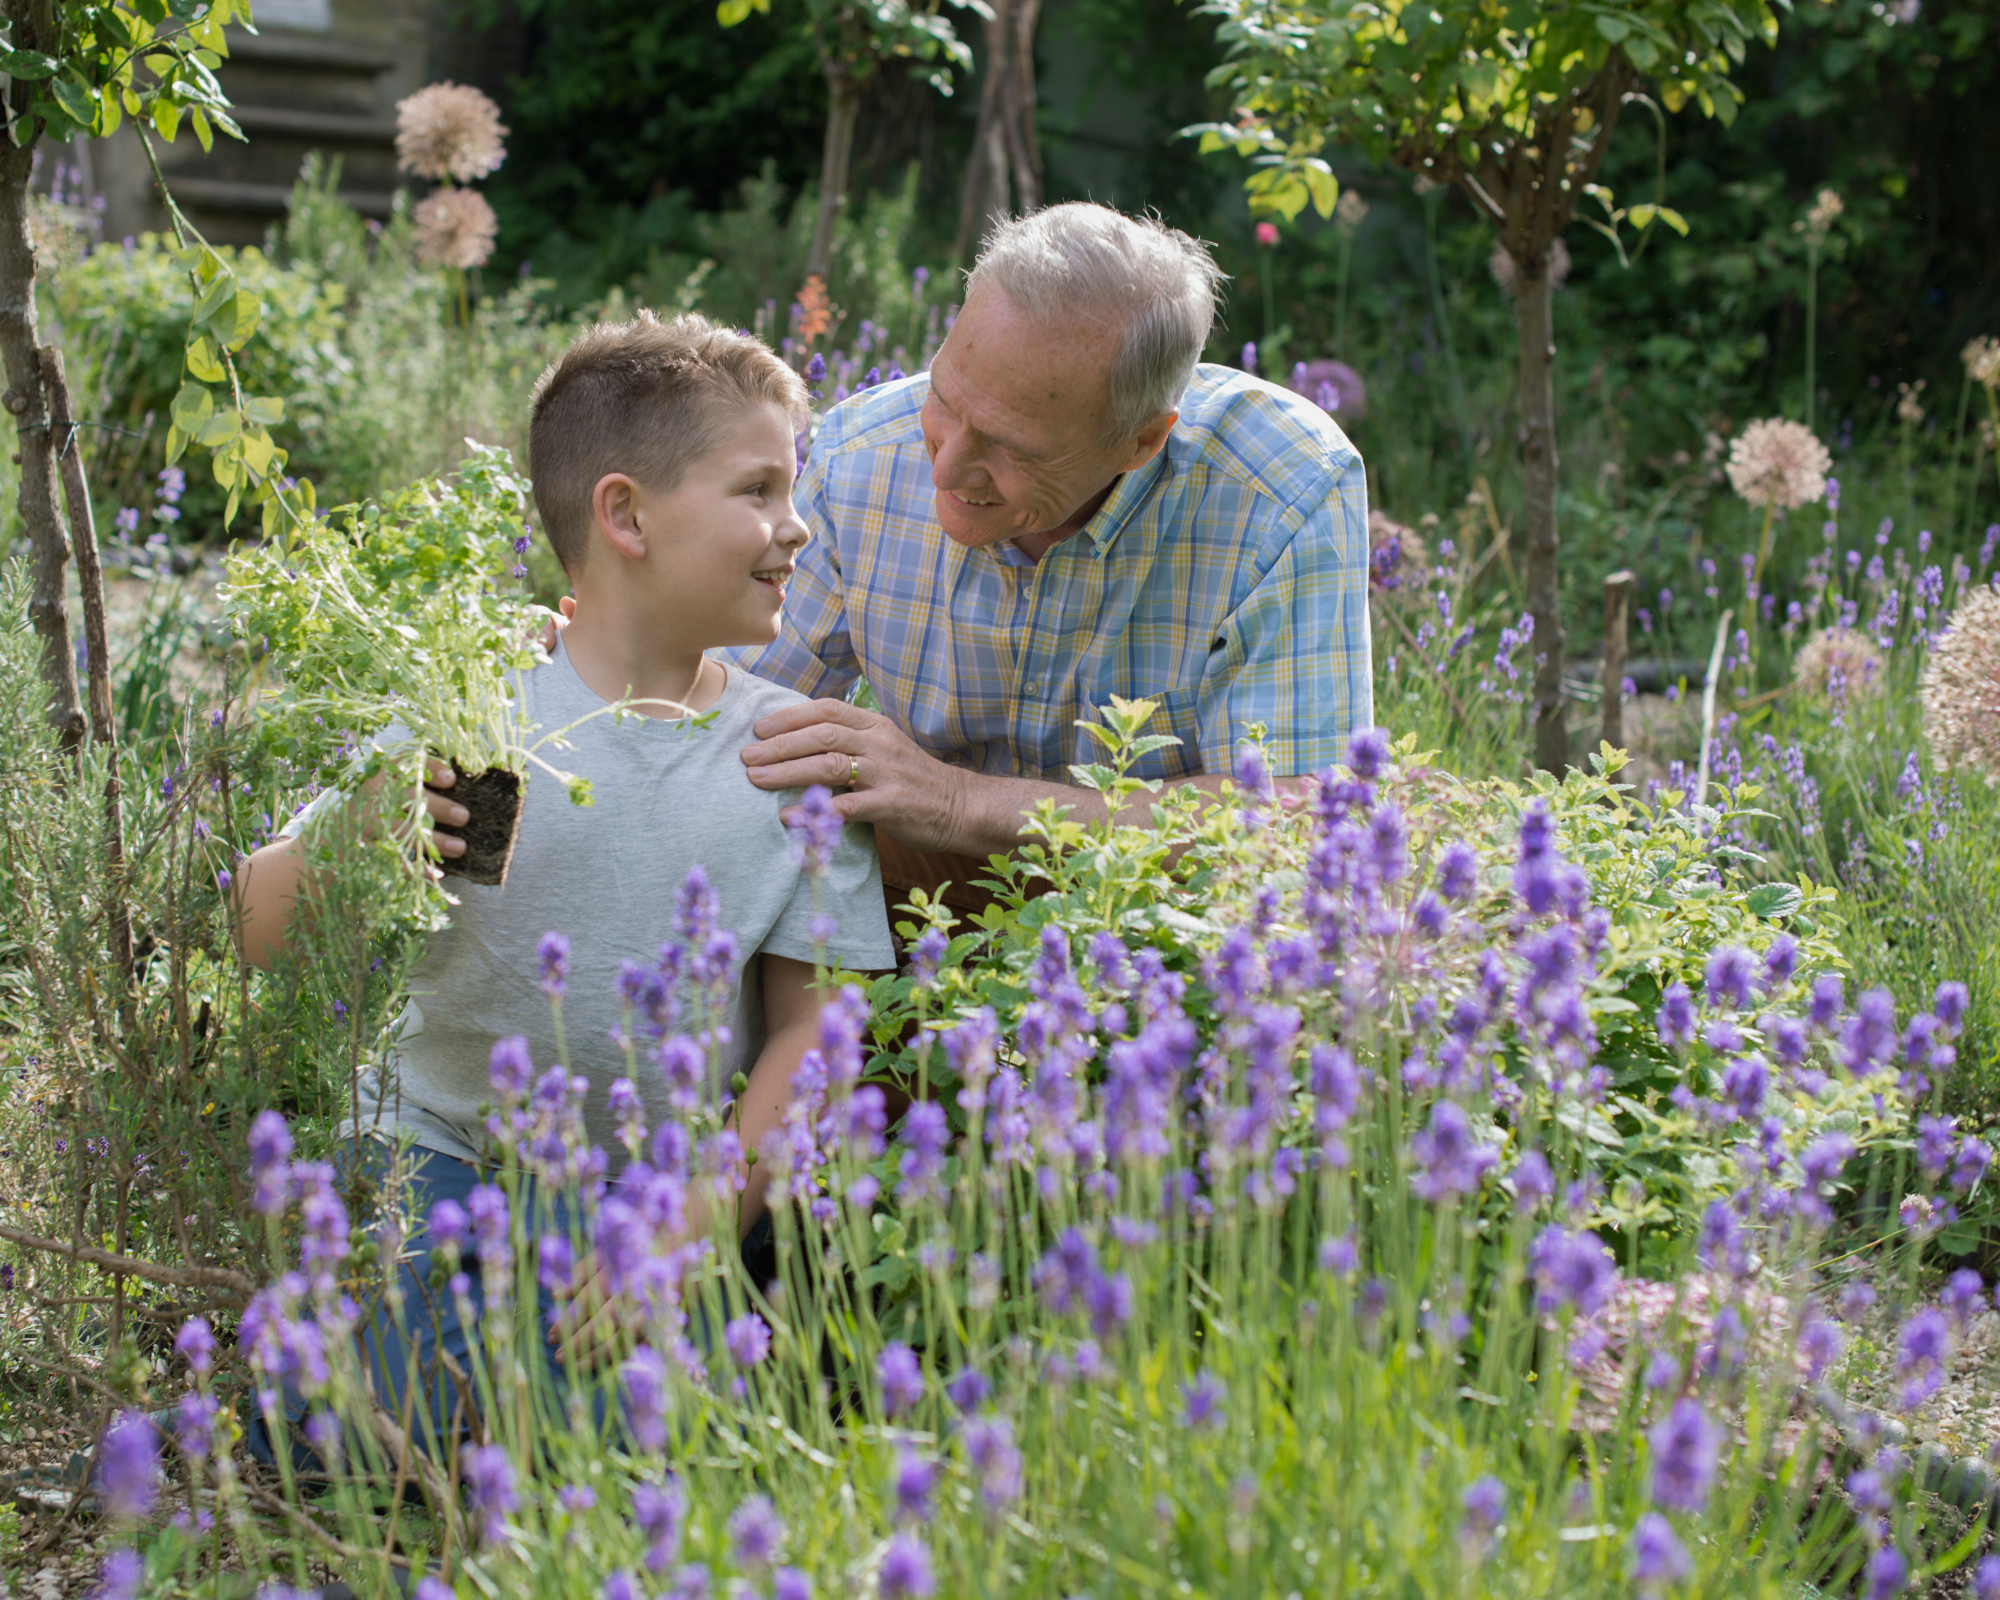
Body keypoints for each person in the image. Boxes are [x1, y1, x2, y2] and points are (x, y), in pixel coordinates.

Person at [232, 311, 895, 1448]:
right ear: (624, 512)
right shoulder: (478, 709)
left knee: (619, 1439)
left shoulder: (790, 756)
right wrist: (358, 839)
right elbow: (255, 929)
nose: (794, 529)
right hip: (435, 1157)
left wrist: (692, 1222)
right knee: (365, 1421)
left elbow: (816, 1035)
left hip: (656, 1193)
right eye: (759, 490)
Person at [728, 202, 1374, 913]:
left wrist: (960, 802)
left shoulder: (1283, 489)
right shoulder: (860, 459)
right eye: (943, 399)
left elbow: (1298, 811)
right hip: (918, 895)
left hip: (1156, 920)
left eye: (1012, 447)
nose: (945, 471)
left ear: (1140, 442)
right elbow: (732, 716)